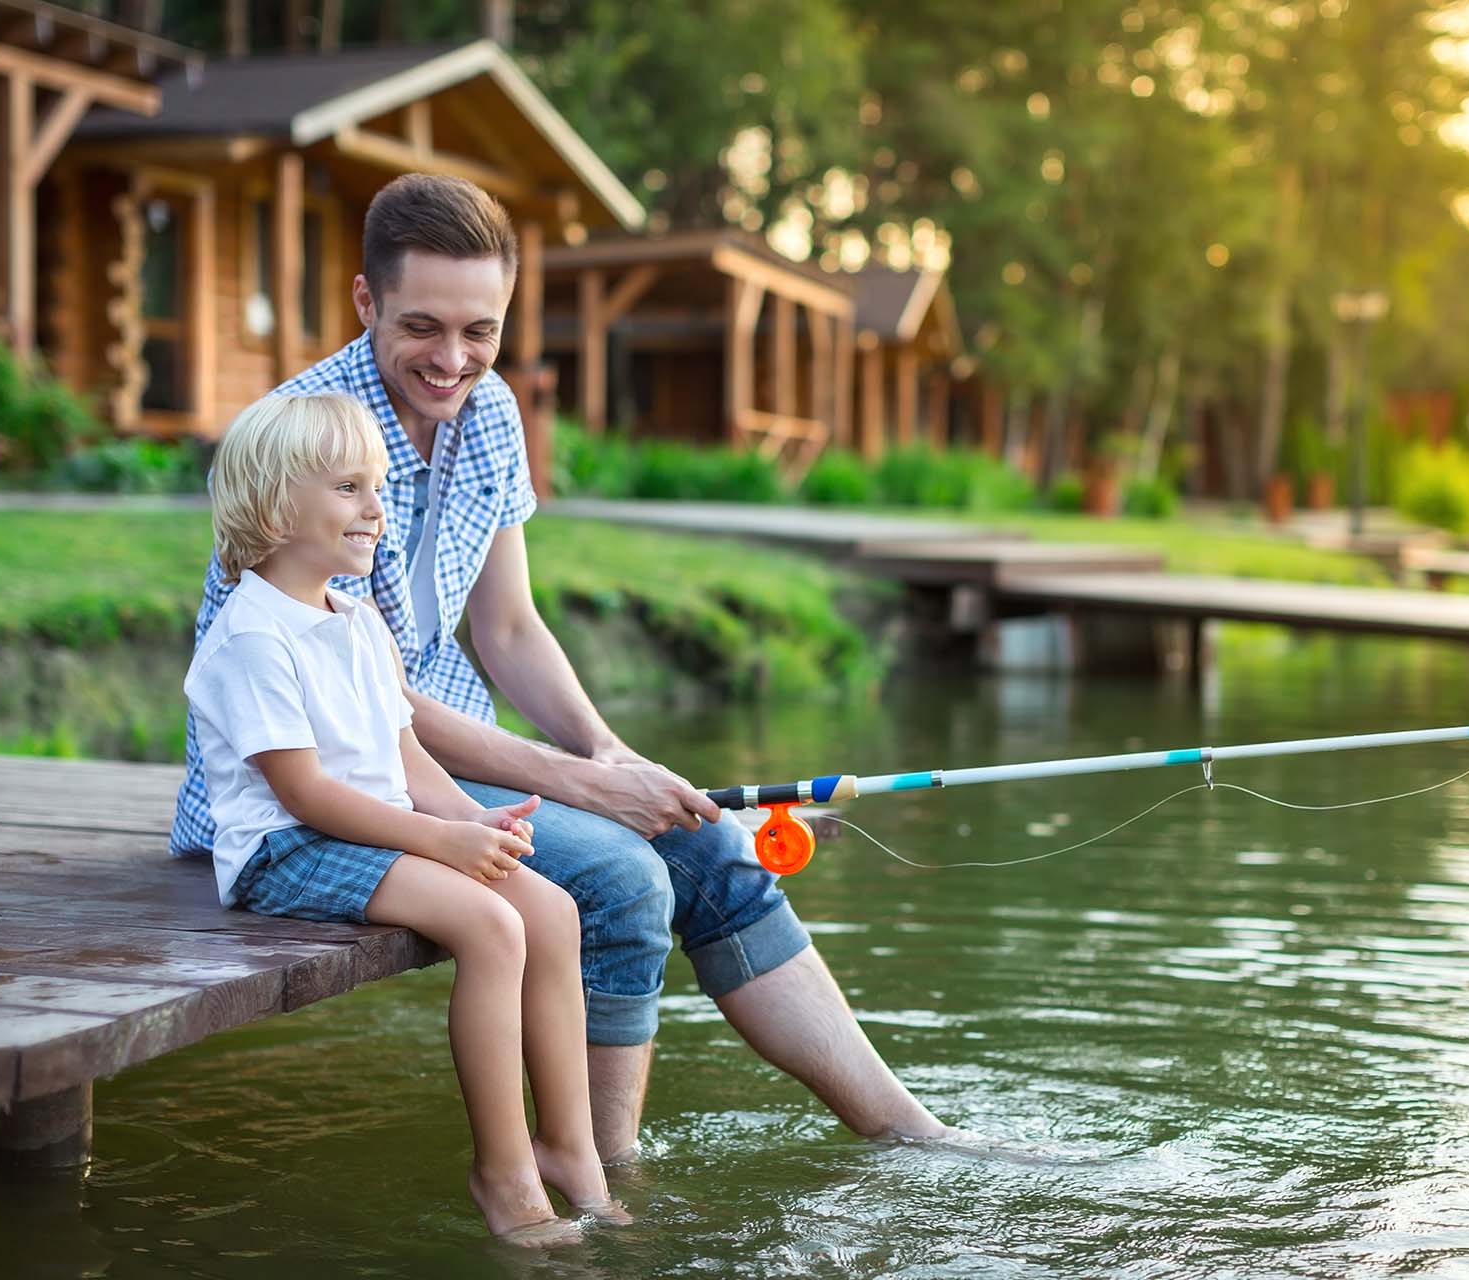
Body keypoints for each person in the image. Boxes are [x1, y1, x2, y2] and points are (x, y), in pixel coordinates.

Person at [172, 172, 951, 1160]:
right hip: (330, 781)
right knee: (627, 875)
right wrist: (581, 782)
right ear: (366, 301)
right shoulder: (304, 443)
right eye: (423, 327)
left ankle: (904, 1127)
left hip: (437, 760)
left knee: (705, 846)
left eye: (481, 330)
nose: (453, 360)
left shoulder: (491, 411)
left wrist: (623, 761)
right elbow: (375, 702)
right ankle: (598, 1166)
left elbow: (509, 627)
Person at [185, 391, 619, 1242]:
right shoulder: (252, 638)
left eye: (377, 486)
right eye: (350, 487)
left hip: (370, 826)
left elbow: (406, 758)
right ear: (276, 504)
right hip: (287, 848)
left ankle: (570, 1149)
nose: (377, 509)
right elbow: (304, 794)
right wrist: (441, 843)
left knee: (551, 909)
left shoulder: (356, 619)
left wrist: (476, 826)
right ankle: (503, 1177)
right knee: (492, 927)